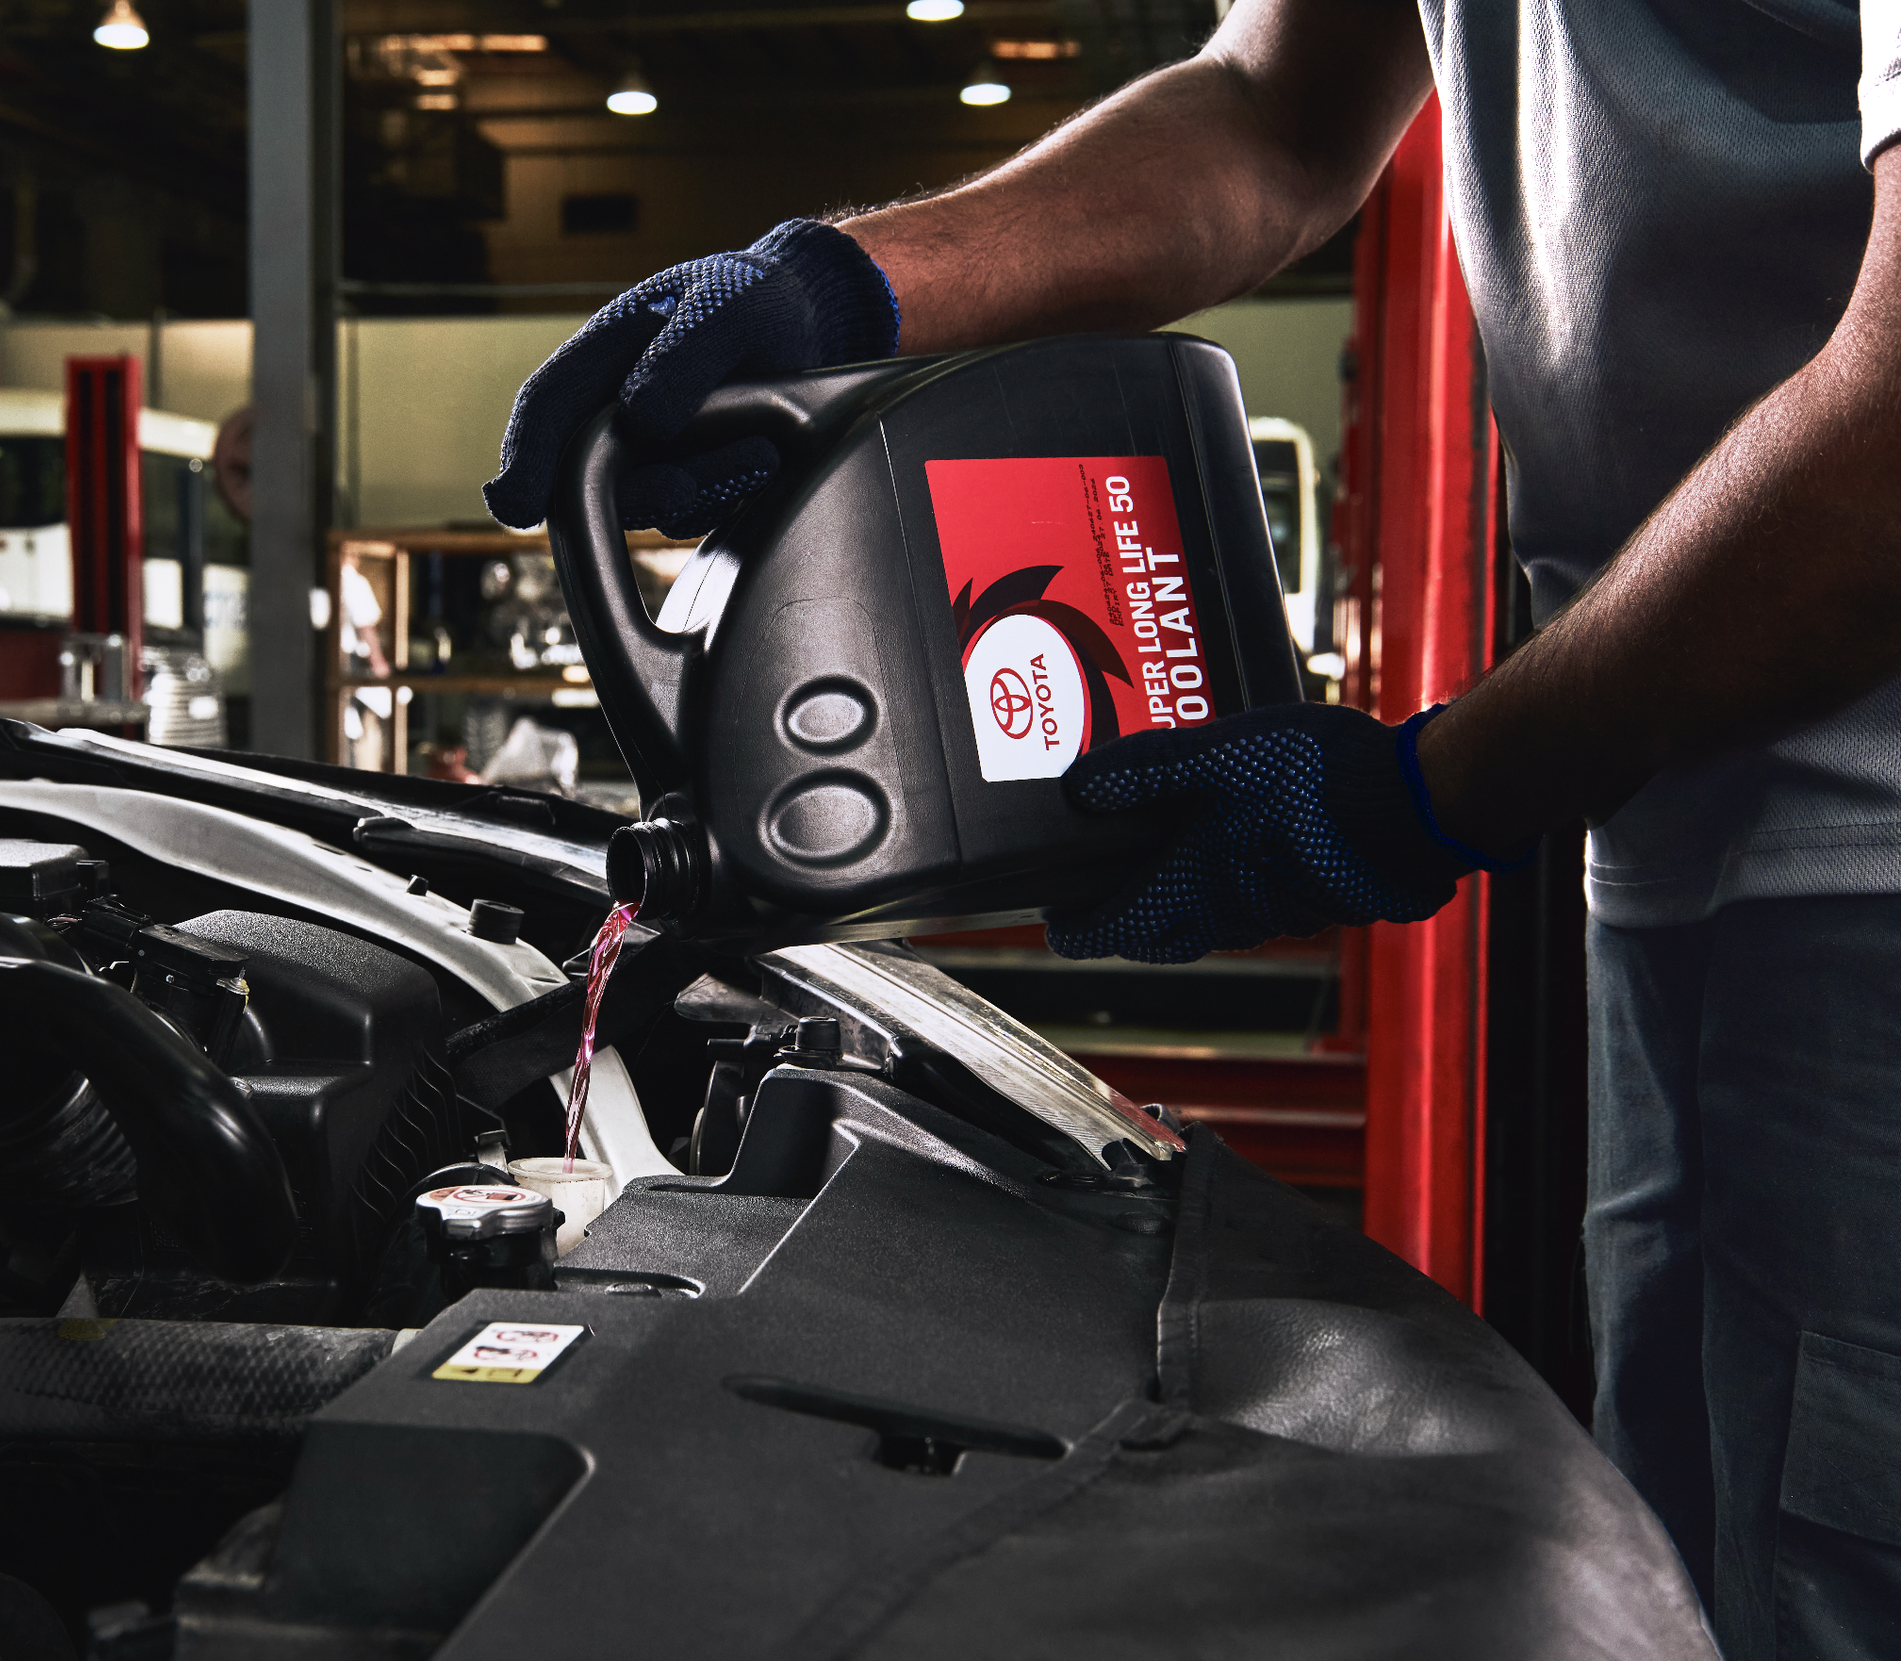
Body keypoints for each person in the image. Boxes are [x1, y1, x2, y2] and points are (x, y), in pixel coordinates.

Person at [485, 3, 1901, 1652]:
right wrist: (841, 294)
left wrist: (1429, 791)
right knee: (1705, 1583)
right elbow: (1270, 115)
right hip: (1684, 855)